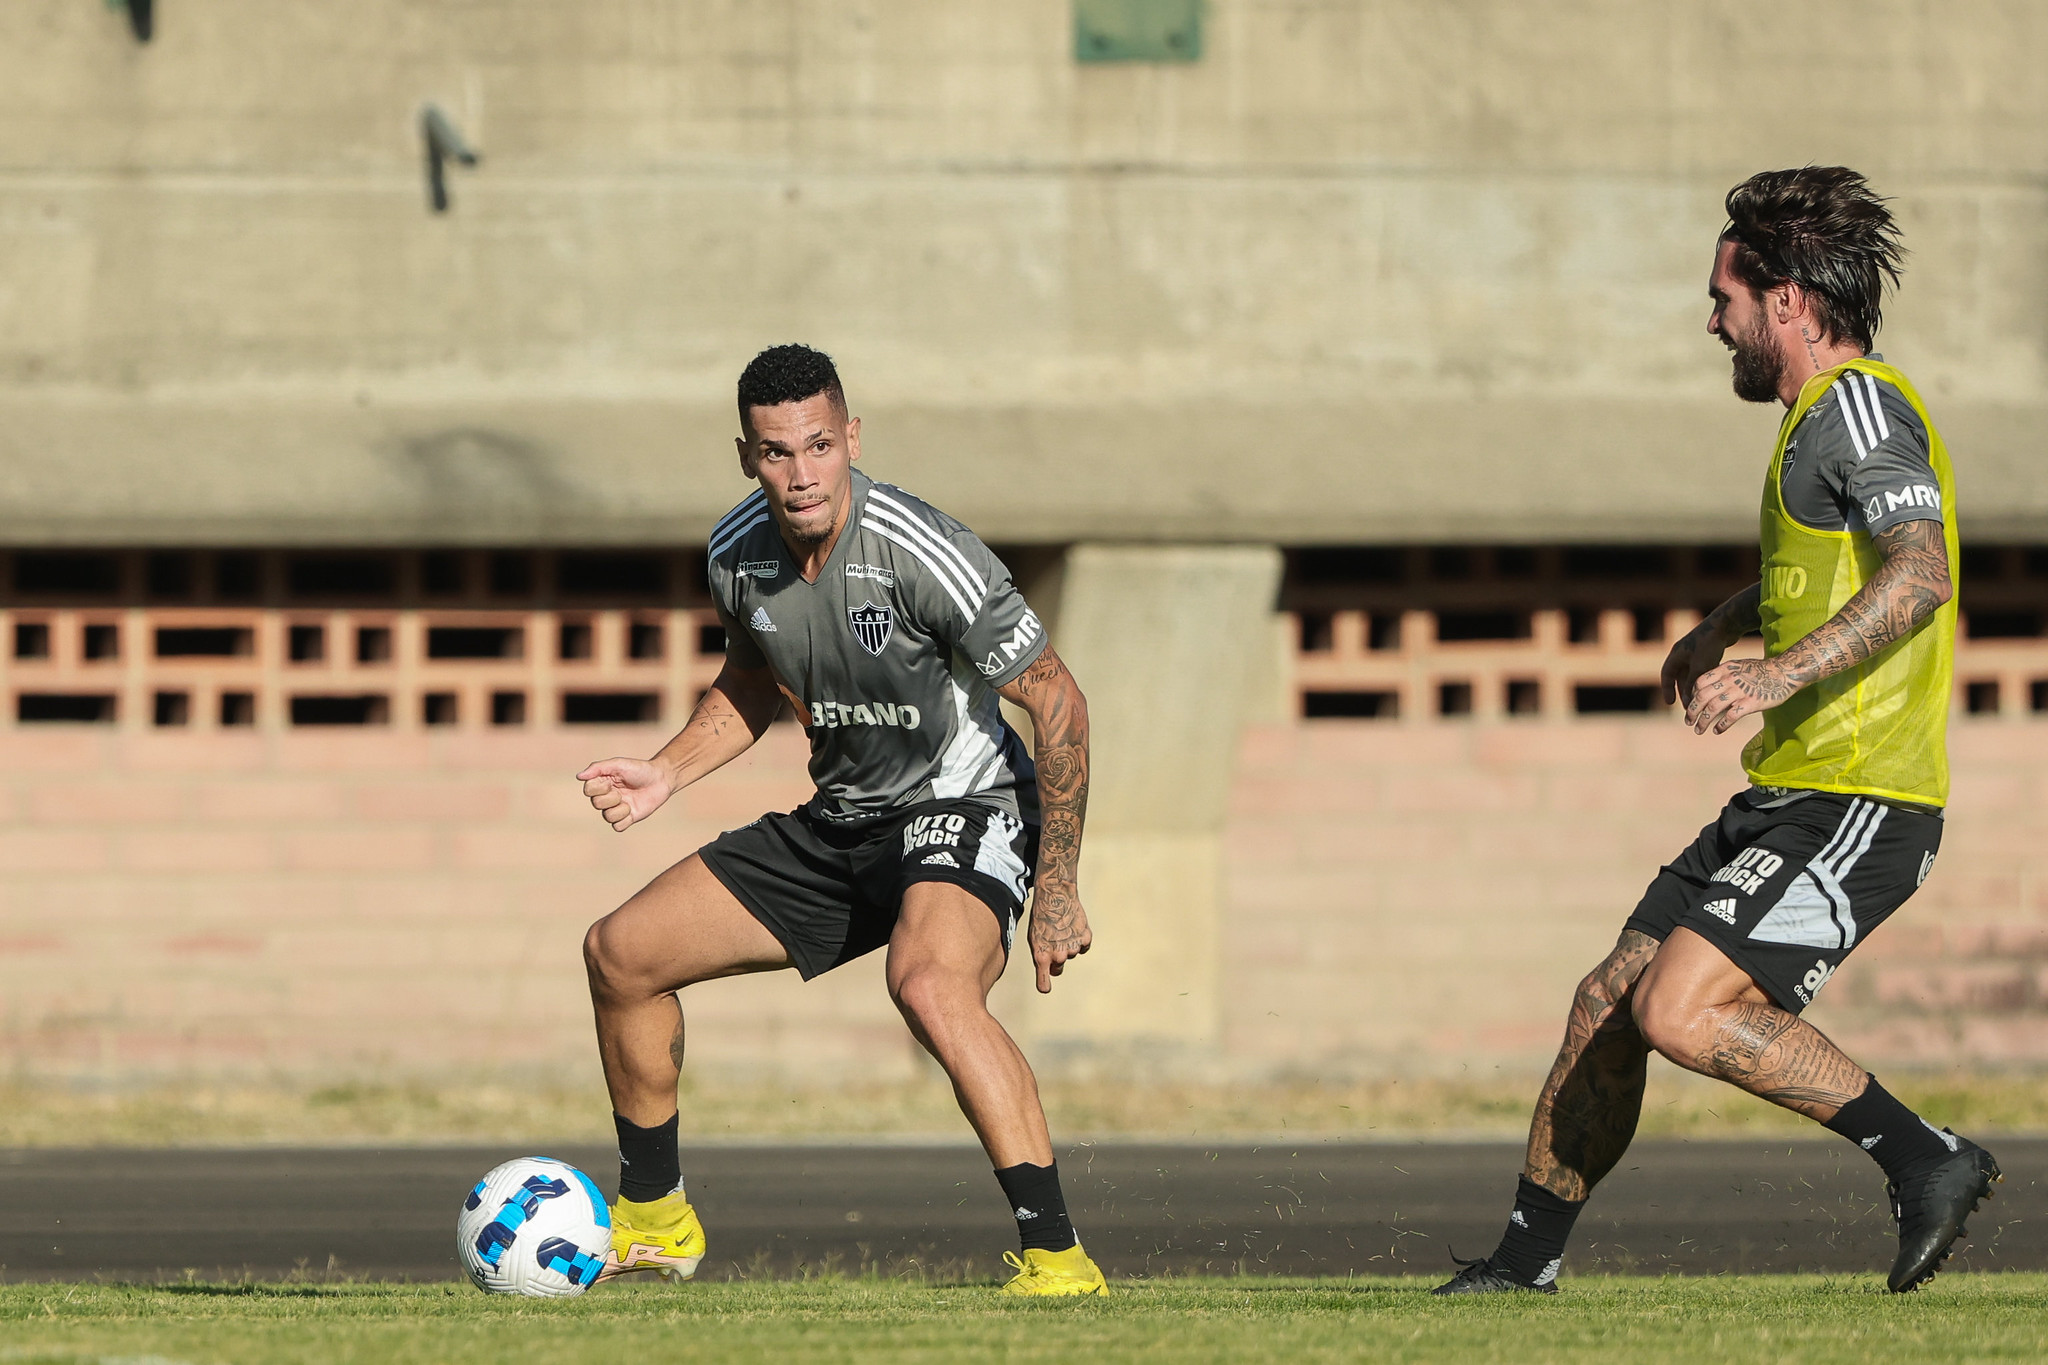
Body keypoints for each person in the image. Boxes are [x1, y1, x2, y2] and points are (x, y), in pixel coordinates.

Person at [1437, 167, 1996, 1297]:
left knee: (1679, 1009)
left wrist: (1774, 671)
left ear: (1785, 301)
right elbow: (1820, 566)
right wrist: (1721, 627)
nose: (1711, 321)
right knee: (1606, 1002)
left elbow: (1919, 570)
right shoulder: (1810, 423)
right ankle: (1521, 1268)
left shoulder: (1855, 407)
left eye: (1723, 298)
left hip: (1860, 797)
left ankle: (1924, 1157)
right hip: (1789, 790)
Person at [577, 344, 1107, 1296]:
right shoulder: (735, 554)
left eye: (819, 445)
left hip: (963, 805)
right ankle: (656, 1223)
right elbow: (752, 680)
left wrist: (1059, 886)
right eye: (777, 452)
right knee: (621, 953)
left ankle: (1059, 1260)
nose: (802, 472)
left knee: (930, 985)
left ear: (851, 438)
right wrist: (668, 772)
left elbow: (1058, 703)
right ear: (746, 454)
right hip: (844, 821)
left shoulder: (920, 550)